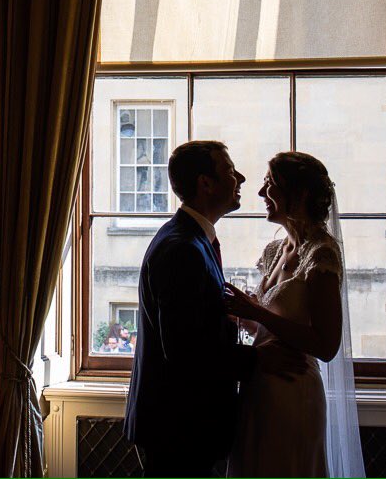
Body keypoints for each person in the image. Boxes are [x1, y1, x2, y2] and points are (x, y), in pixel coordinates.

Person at [123, 140, 306, 477]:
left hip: (182, 423)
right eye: (228, 171)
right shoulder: (182, 249)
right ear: (205, 184)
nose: (240, 177)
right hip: (177, 427)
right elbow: (183, 351)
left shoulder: (192, 239)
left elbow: (193, 321)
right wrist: (258, 359)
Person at [224, 152, 365, 477]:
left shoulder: (321, 254)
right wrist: (238, 312)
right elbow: (261, 324)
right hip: (259, 388)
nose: (261, 194)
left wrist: (258, 311)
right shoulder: (275, 251)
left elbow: (327, 345)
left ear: (299, 195)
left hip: (294, 392)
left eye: (270, 185)